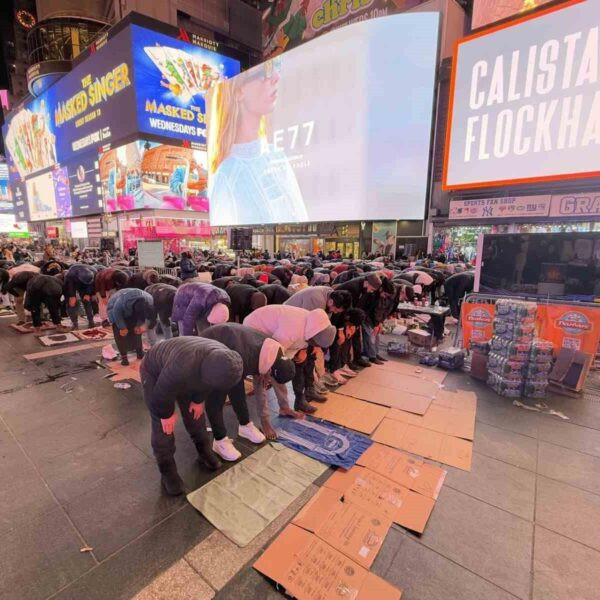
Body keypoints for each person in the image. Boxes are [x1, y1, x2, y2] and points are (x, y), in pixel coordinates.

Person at [206, 57, 308, 225]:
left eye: (276, 68)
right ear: (238, 92)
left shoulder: (278, 156)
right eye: (263, 73)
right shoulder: (226, 176)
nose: (275, 77)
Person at [141, 337, 244, 495]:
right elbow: (162, 392)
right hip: (155, 371)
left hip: (188, 370)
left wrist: (198, 400)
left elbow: (209, 383)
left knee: (195, 414)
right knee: (163, 425)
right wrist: (166, 414)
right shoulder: (182, 365)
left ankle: (203, 451)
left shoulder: (225, 359)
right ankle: (167, 469)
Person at [201, 322, 297, 452]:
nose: (269, 381)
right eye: (271, 378)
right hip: (210, 346)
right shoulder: (248, 358)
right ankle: (219, 440)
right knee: (217, 396)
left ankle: (244, 425)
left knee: (237, 388)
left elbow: (244, 382)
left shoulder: (275, 352)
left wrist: (263, 372)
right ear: (270, 370)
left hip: (233, 346)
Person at [244, 305, 336, 414]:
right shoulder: (292, 329)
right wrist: (268, 371)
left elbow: (290, 348)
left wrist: (303, 350)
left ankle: (285, 407)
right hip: (254, 328)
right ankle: (264, 417)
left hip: (278, 335)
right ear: (313, 336)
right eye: (315, 344)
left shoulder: (315, 324)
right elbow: (274, 354)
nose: (316, 346)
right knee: (262, 376)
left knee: (282, 371)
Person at [334, 272, 382, 368]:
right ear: (367, 283)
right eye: (371, 289)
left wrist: (357, 321)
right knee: (345, 338)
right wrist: (347, 326)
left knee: (356, 335)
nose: (371, 291)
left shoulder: (364, 288)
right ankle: (344, 363)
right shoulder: (353, 287)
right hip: (339, 312)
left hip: (352, 314)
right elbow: (347, 308)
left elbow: (361, 305)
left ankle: (357, 358)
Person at [107, 288, 154, 365]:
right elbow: (116, 313)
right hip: (114, 308)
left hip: (131, 308)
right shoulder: (120, 303)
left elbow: (144, 315)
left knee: (136, 332)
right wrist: (122, 327)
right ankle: (124, 357)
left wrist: (139, 325)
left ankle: (139, 353)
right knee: (120, 334)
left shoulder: (148, 299)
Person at [63, 264, 97, 330]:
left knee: (87, 301)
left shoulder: (94, 271)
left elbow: (92, 284)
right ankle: (74, 322)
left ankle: (91, 321)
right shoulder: (70, 274)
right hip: (71, 282)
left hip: (86, 285)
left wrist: (88, 293)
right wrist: (72, 296)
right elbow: (70, 286)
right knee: (71, 303)